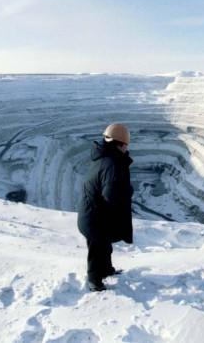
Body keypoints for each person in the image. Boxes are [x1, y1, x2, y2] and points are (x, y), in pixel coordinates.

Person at [77, 123, 134, 292]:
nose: (127, 148)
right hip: (94, 218)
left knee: (104, 244)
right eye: (126, 145)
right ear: (120, 144)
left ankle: (106, 270)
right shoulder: (112, 164)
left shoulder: (105, 158)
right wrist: (129, 191)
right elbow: (111, 194)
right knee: (97, 248)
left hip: (95, 214)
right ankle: (94, 280)